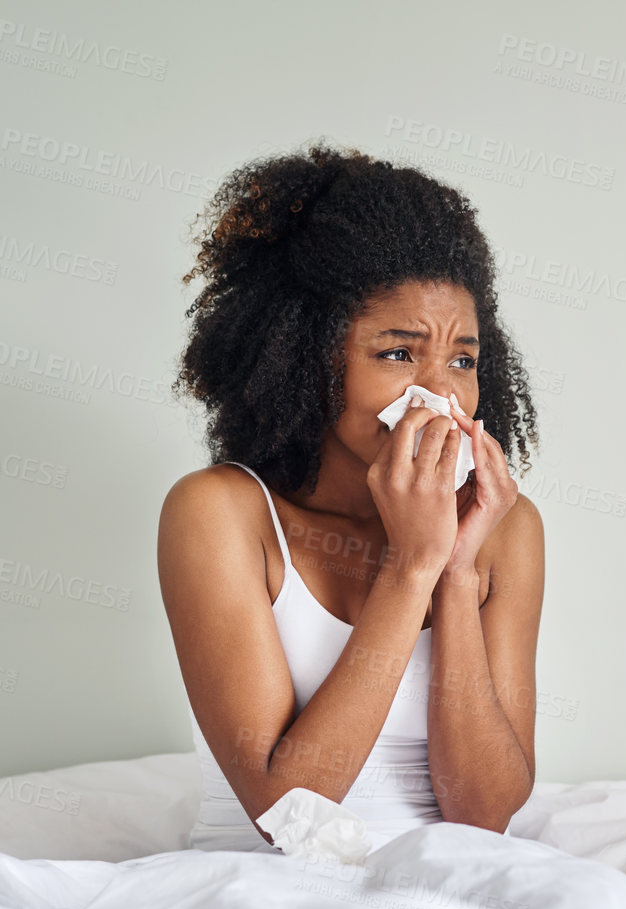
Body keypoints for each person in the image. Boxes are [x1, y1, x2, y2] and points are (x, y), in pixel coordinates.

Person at [157, 141, 544, 852]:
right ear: (306, 361)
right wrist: (409, 568)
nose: (440, 392)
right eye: (397, 353)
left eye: (463, 359)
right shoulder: (219, 513)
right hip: (263, 890)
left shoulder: (506, 528)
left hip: (449, 885)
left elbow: (483, 815)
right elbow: (286, 811)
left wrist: (454, 572)